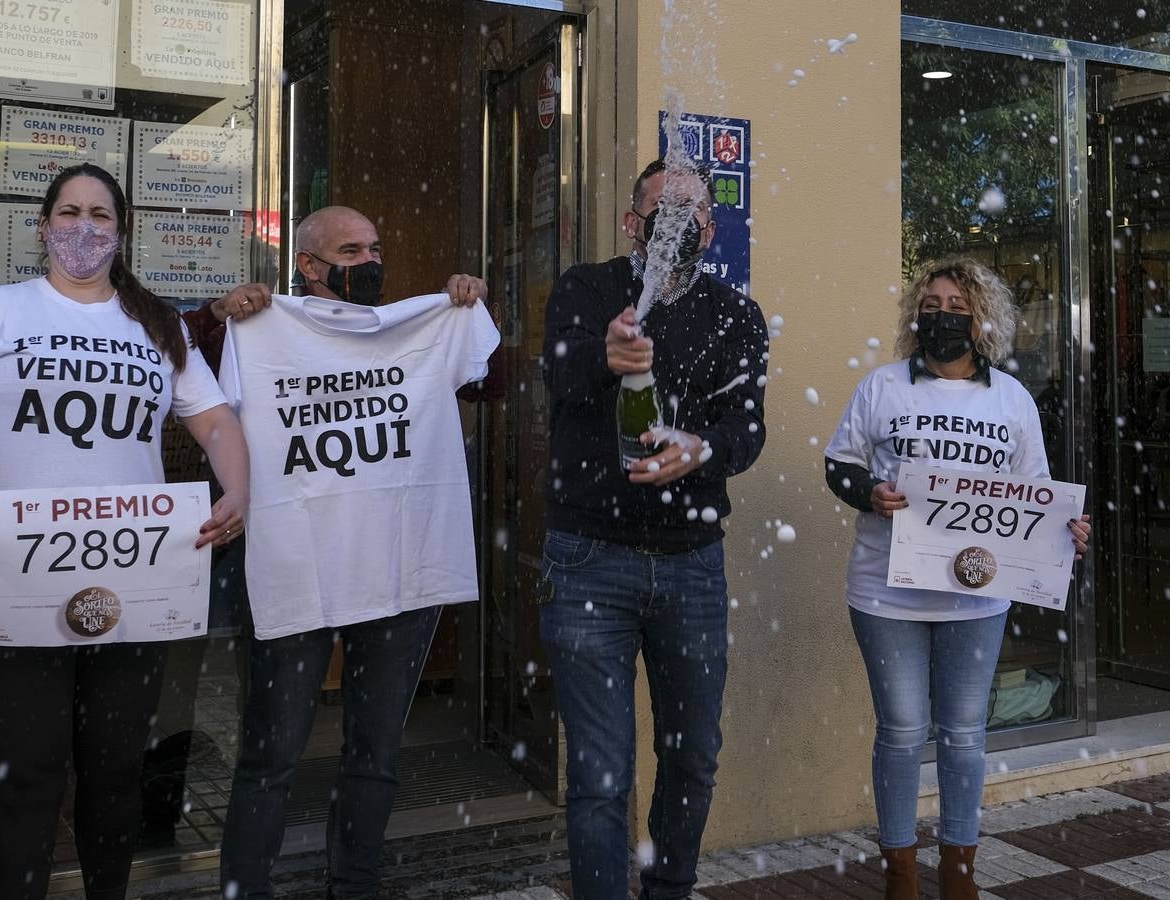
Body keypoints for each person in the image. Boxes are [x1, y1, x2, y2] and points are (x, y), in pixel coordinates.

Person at [0, 162, 250, 900]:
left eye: (99, 214)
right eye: (67, 212)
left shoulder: (156, 325)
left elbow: (215, 420)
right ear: (42, 225)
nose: (82, 228)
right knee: (26, 780)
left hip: (135, 583)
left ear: (121, 233)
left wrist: (237, 492)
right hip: (10, 579)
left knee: (117, 773)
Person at [210, 204, 499, 900]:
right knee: (271, 754)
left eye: (375, 247)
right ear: (308, 264)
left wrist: (465, 300)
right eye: (350, 251)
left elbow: (488, 376)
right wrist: (224, 309)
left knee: (376, 754)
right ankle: (244, 889)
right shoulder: (259, 329)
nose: (370, 262)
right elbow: (213, 410)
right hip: (296, 567)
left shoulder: (423, 324)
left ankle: (355, 885)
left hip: (399, 568)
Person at [823, 257, 1091, 900]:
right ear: (917, 313)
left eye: (957, 306)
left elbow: (1033, 496)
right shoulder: (882, 388)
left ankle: (960, 874)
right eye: (932, 304)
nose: (943, 315)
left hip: (977, 597)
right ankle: (902, 875)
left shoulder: (1012, 398)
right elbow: (839, 464)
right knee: (902, 731)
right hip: (886, 593)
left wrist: (1068, 532)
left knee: (965, 734)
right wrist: (868, 492)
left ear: (982, 320)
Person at [539, 159, 768, 900]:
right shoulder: (587, 289)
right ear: (631, 222)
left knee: (694, 755)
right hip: (587, 561)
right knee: (601, 774)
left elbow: (747, 429)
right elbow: (561, 375)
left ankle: (669, 889)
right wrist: (605, 357)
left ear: (710, 227)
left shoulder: (736, 313)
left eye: (693, 213)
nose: (679, 223)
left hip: (692, 563)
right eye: (661, 209)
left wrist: (699, 450)